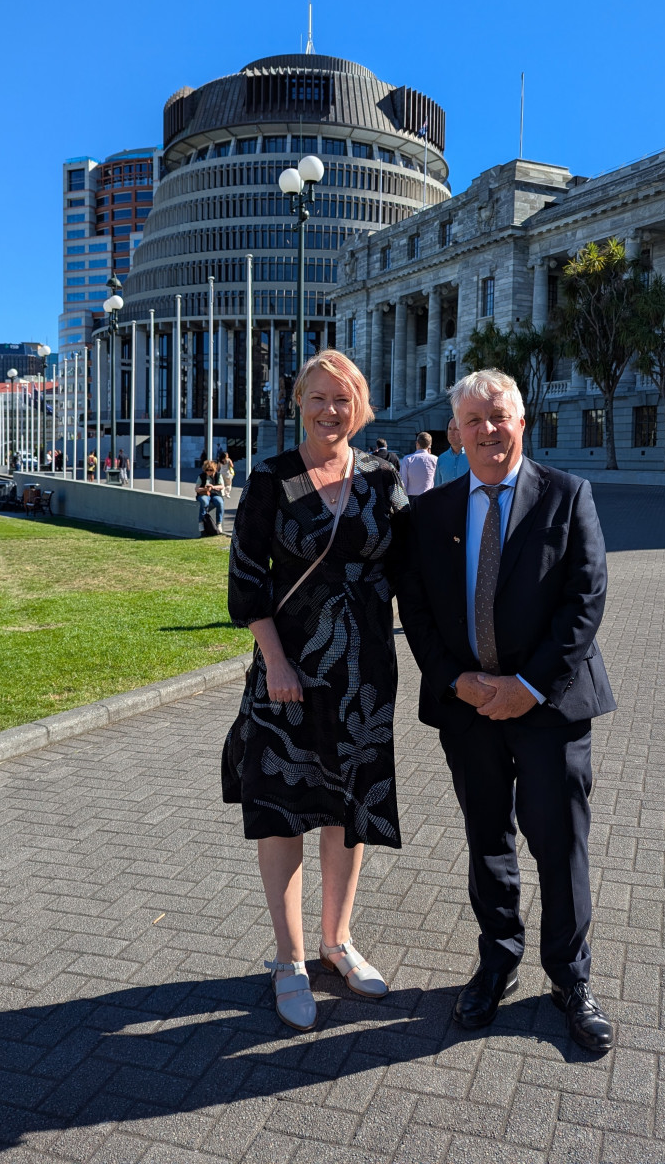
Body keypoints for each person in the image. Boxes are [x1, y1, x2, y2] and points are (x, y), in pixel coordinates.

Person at [398, 368, 616, 1053]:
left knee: (559, 844)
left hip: (549, 705)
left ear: (522, 422)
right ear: (456, 434)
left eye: (500, 417)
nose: (489, 430)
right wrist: (454, 680)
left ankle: (570, 979)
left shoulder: (567, 495)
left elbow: (586, 600)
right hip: (467, 708)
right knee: (487, 840)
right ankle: (498, 962)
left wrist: (528, 684)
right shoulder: (429, 514)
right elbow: (418, 609)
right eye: (475, 420)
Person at [223, 349, 408, 1033]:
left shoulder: (382, 475)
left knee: (347, 807)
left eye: (344, 399)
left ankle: (338, 940)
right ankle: (290, 957)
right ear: (298, 402)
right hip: (290, 673)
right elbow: (248, 579)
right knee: (282, 810)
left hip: (363, 676)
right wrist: (274, 662)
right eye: (318, 398)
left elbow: (410, 567)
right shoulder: (271, 479)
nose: (331, 411)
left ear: (360, 406)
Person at [434, 416, 470, 487]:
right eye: (449, 429)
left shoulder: (472, 457)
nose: (451, 433)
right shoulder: (442, 459)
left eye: (456, 429)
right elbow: (437, 487)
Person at [399, 432, 437, 496]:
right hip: (428, 496)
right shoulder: (435, 459)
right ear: (429, 445)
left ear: (417, 443)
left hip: (411, 498)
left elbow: (403, 482)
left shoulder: (407, 459)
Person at [196, 459, 225, 534]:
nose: (209, 471)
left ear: (214, 469)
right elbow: (196, 488)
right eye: (207, 470)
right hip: (204, 493)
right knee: (204, 502)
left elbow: (222, 486)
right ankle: (201, 522)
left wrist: (213, 487)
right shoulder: (201, 476)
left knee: (220, 503)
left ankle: (219, 523)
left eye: (211, 470)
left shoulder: (218, 475)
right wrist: (205, 488)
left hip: (215, 493)